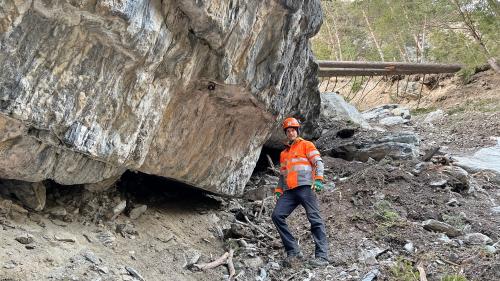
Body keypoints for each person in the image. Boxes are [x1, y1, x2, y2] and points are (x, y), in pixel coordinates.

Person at [271, 117, 330, 267]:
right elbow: (283, 174)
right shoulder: (284, 153)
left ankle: (322, 257)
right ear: (286, 133)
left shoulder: (306, 145)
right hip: (290, 191)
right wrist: (279, 189)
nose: (291, 133)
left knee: (315, 219)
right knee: (277, 215)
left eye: (293, 130)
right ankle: (293, 250)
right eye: (288, 131)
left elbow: (318, 162)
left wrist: (318, 179)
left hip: (305, 187)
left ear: (297, 131)